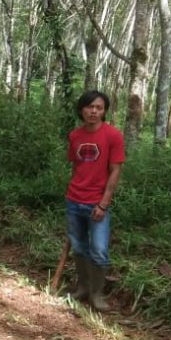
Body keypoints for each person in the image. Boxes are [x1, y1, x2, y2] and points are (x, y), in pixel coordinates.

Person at [66, 90, 125, 311]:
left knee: (99, 250)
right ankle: (82, 287)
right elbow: (76, 166)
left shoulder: (113, 136)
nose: (94, 111)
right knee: (79, 247)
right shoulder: (74, 135)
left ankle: (96, 294)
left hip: (97, 203)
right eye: (90, 107)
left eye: (99, 108)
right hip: (74, 200)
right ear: (82, 109)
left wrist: (103, 203)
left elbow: (115, 170)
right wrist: (73, 192)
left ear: (104, 111)